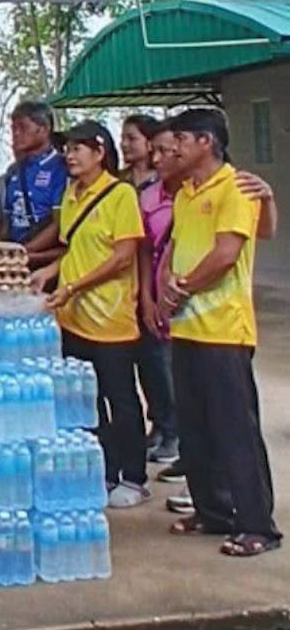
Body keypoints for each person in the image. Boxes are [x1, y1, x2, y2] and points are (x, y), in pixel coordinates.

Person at [140, 119, 279, 515]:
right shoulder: (187, 193)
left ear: (206, 142)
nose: (173, 148)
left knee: (235, 431)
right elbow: (176, 246)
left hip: (223, 330)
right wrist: (164, 284)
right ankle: (211, 512)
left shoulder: (236, 187)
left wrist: (179, 290)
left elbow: (225, 254)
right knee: (196, 430)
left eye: (181, 139)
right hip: (187, 327)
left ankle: (255, 523)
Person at [31, 121, 150, 508]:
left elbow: (123, 257)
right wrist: (49, 272)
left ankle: (134, 477)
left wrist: (74, 286)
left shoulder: (120, 195)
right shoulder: (71, 194)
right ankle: (105, 470)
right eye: (67, 148)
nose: (69, 155)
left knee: (121, 399)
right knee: (87, 400)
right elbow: (74, 249)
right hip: (74, 319)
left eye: (78, 148)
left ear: (100, 153)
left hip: (110, 319)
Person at [118, 114, 179, 464]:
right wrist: (143, 294)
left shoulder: (171, 185)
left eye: (133, 138)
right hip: (138, 286)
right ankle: (159, 423)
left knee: (164, 362)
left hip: (169, 287)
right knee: (146, 360)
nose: (126, 145)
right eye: (123, 138)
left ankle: (174, 431)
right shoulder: (123, 184)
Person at [2, 101, 68, 248]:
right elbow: (7, 221)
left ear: (44, 129)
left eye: (23, 127)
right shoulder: (14, 171)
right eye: (13, 128)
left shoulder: (61, 168)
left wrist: (26, 251)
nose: (16, 134)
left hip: (45, 255)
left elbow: (59, 224)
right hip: (15, 254)